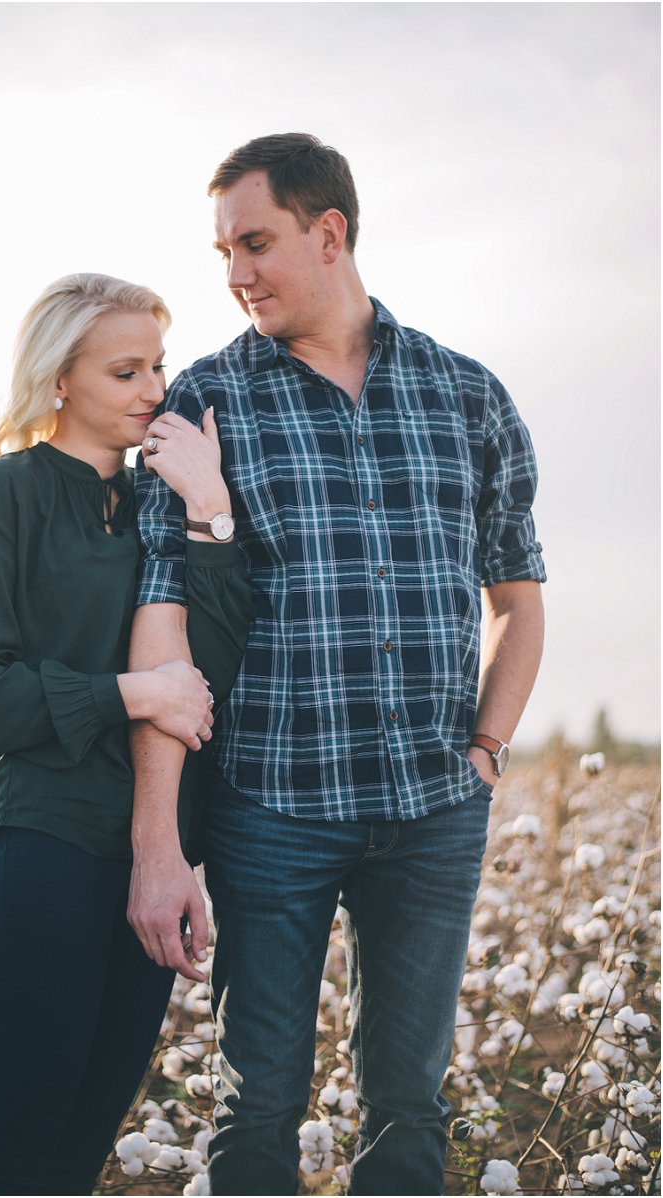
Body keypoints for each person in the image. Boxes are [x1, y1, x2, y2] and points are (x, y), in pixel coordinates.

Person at [129, 134, 546, 1196]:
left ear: (329, 232)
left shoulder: (467, 394)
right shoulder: (202, 404)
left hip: (434, 809)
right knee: (256, 1105)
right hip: (272, 808)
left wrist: (485, 753)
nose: (236, 273)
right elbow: (161, 619)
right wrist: (158, 839)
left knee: (411, 1106)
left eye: (255, 242)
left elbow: (517, 600)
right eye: (224, 251)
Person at [0, 272, 253, 1196]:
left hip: (157, 859)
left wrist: (209, 508)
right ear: (59, 378)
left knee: (75, 1164)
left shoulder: (164, 501)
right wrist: (131, 692)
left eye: (157, 366)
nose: (154, 390)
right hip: (41, 844)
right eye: (125, 371)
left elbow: (208, 669)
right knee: (6, 1163)